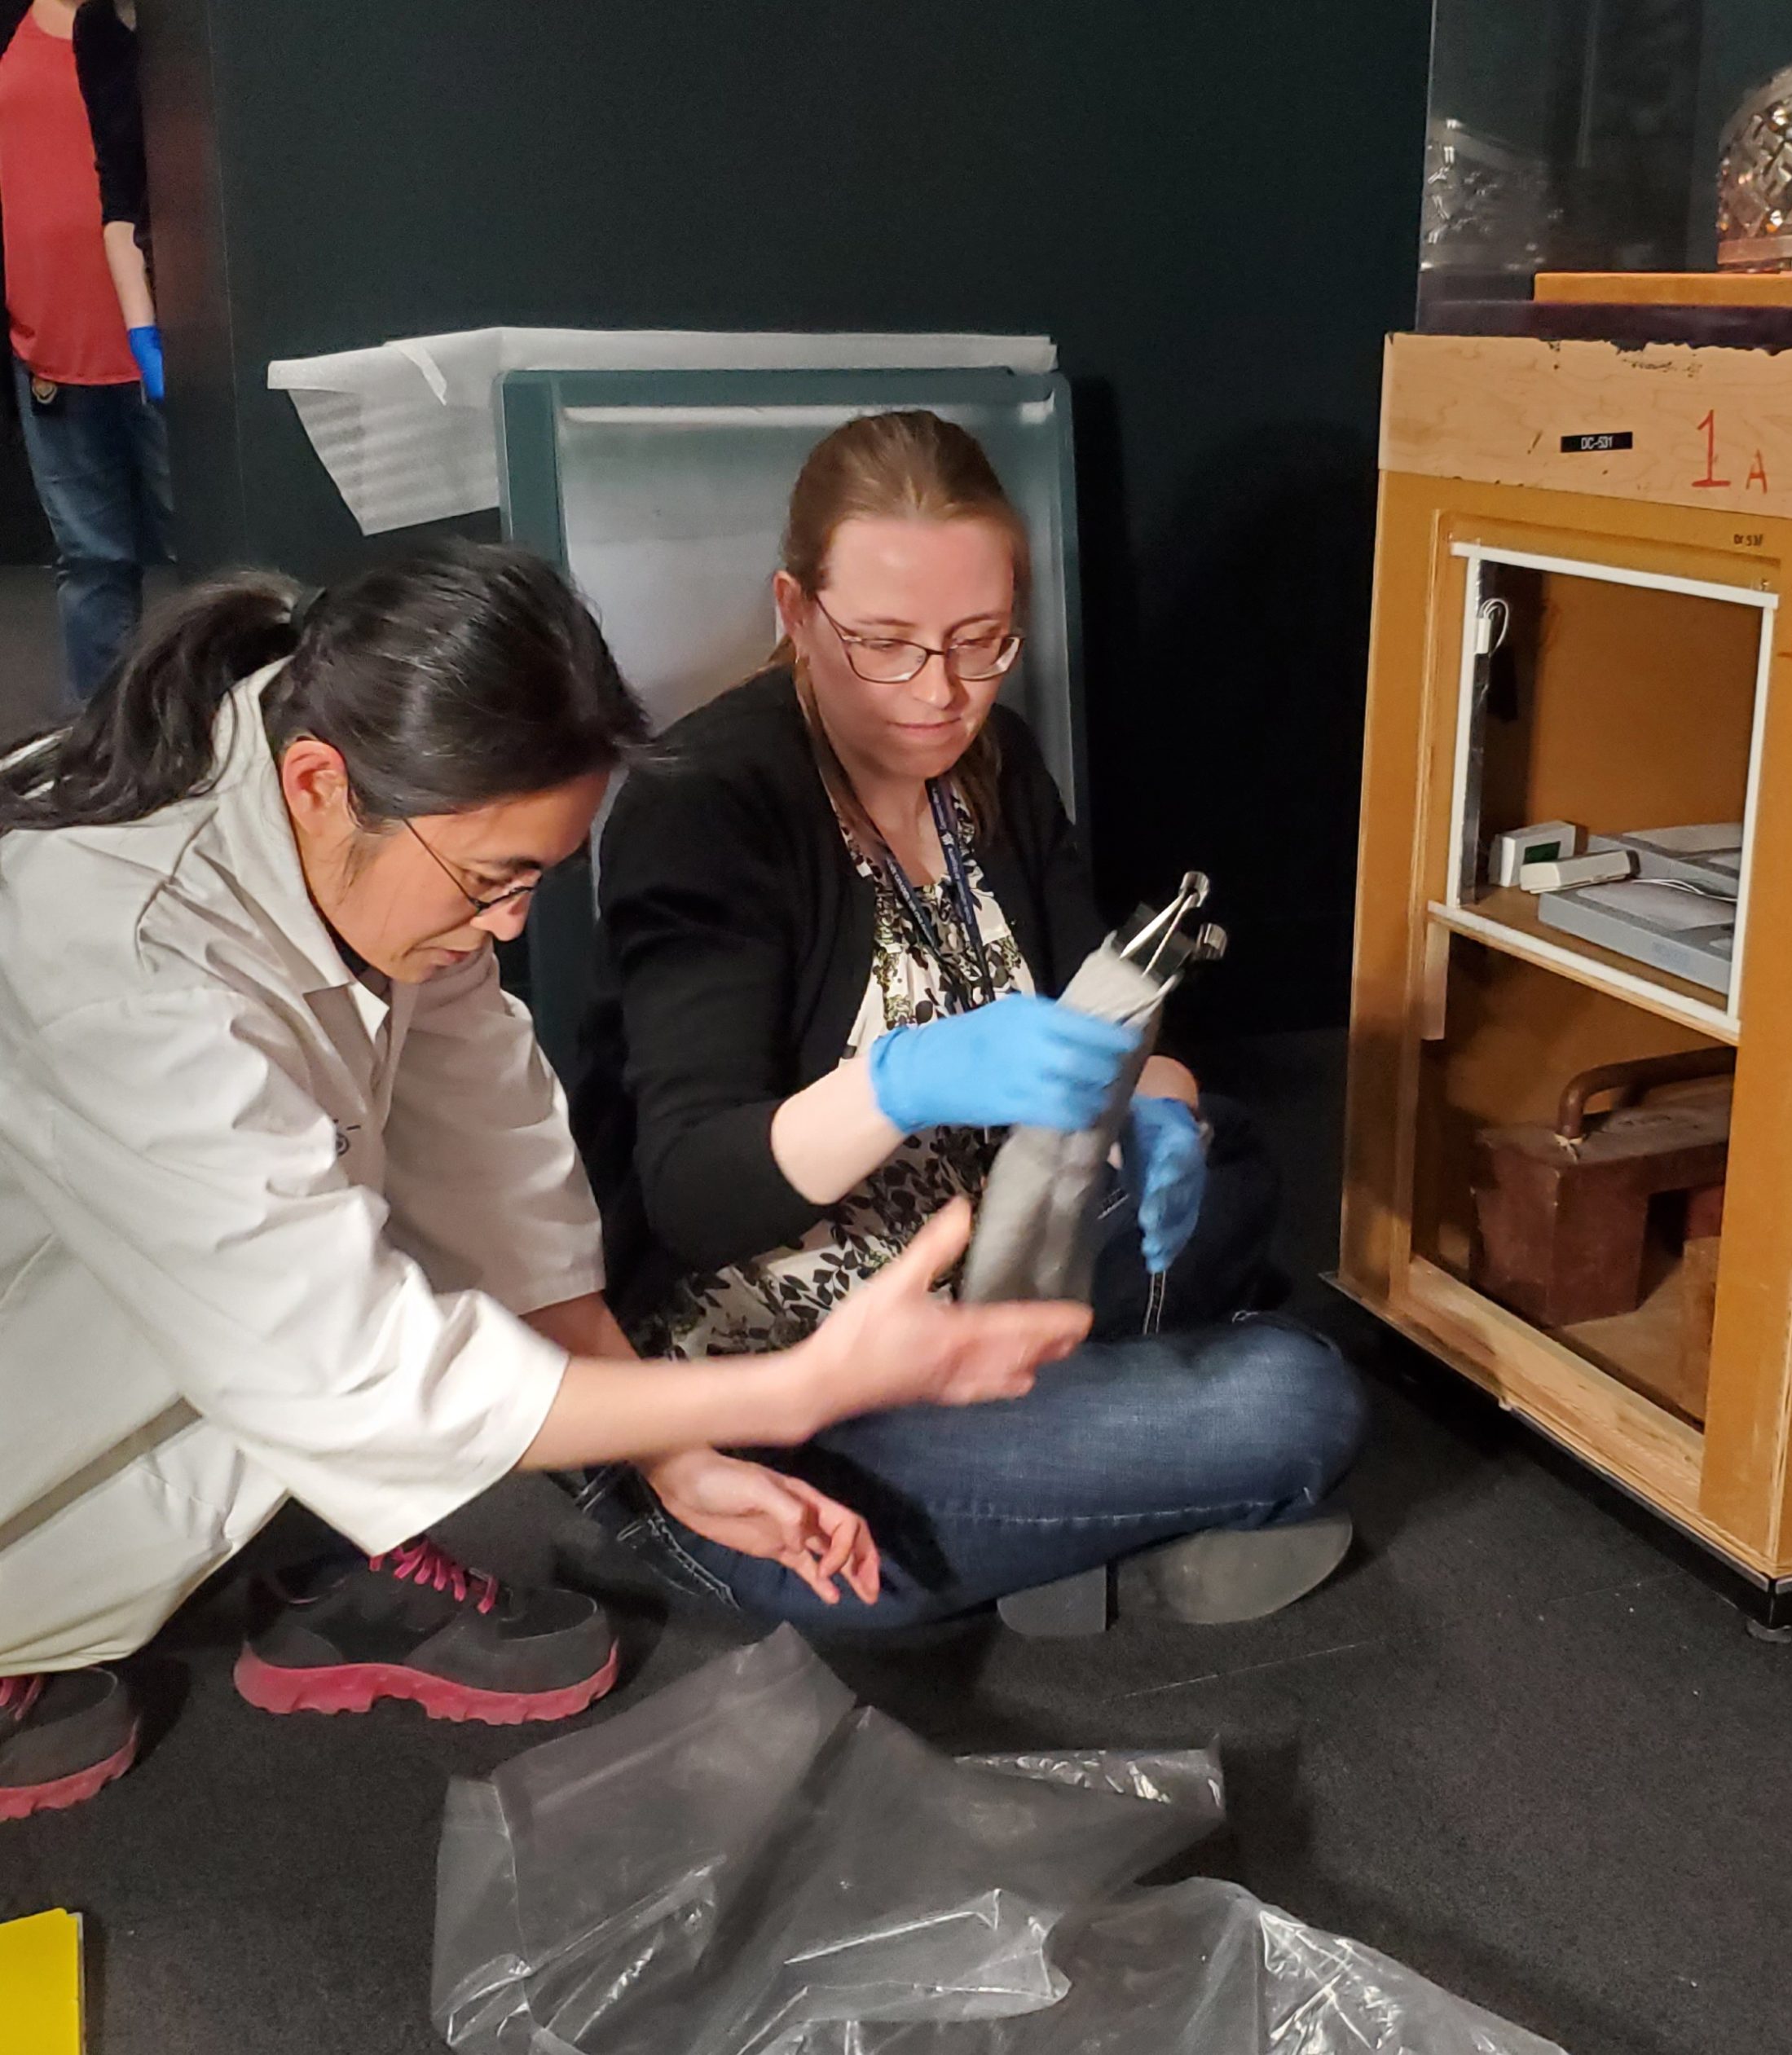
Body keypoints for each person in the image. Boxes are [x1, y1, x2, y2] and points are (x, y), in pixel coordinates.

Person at [0, 541, 1092, 1820]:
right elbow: (340, 1355)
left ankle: (313, 1537)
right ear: (316, 785)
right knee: (274, 1334)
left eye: (534, 877)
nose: (512, 925)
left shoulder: (386, 791)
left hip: (201, 1267)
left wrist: (676, 1447)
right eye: (493, 881)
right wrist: (803, 1385)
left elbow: (496, 1162)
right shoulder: (123, 957)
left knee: (339, 1217)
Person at [574, 410, 1369, 1635]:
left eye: (982, 640)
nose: (940, 692)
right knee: (1295, 1395)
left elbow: (1108, 1022)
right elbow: (690, 1188)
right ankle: (1106, 1497)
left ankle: (1070, 1498)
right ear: (794, 611)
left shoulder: (989, 762)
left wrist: (1156, 1105)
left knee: (1229, 1153)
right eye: (886, 645)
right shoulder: (709, 806)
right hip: (798, 1379)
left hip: (989, 1265)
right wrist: (897, 1079)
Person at [0, 0, 171, 704]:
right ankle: (102, 750)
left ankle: (238, 739)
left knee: (222, 563)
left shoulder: (155, 27)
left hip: (172, 342)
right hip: (50, 349)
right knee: (92, 562)